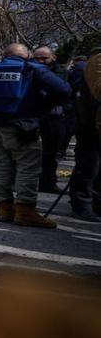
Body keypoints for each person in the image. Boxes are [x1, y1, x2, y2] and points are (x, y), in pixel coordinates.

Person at [0, 42, 72, 228]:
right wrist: (43, 107)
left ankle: (5, 209)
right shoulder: (32, 68)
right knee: (27, 167)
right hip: (24, 128)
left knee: (1, 166)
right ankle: (25, 210)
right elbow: (64, 90)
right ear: (27, 56)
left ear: (4, 55)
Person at [67, 50, 101, 222]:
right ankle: (82, 205)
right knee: (89, 167)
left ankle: (96, 205)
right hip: (91, 126)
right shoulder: (98, 60)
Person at [32, 46, 71, 192]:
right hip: (33, 115)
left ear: (53, 57)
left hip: (54, 117)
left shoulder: (63, 72)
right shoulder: (29, 71)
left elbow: (69, 93)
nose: (41, 61)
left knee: (52, 152)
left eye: (44, 58)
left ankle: (47, 182)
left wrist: (65, 109)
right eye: (37, 58)